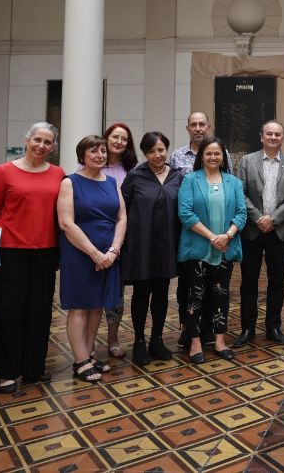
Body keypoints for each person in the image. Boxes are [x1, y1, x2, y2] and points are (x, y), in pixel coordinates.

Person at [0, 122, 65, 394]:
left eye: (47, 142)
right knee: (9, 312)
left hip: (45, 252)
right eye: (37, 140)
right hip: (9, 252)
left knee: (39, 312)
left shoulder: (58, 174)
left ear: (52, 148)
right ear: (27, 140)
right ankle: (7, 371)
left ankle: (33, 367)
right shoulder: (4, 172)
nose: (42, 146)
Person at [57, 135, 127, 383]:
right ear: (82, 156)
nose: (100, 156)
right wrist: (95, 253)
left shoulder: (111, 183)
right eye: (93, 152)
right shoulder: (70, 182)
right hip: (79, 252)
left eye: (102, 152)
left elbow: (121, 218)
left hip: (109, 252)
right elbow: (66, 223)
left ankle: (89, 354)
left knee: (97, 305)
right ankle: (79, 360)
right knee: (79, 306)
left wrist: (113, 251)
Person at [177, 137, 246, 363]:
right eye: (209, 153)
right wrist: (211, 237)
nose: (213, 157)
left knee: (221, 295)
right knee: (194, 296)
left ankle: (219, 341)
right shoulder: (189, 180)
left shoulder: (233, 182)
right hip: (198, 249)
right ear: (201, 157)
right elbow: (185, 214)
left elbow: (241, 214)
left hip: (225, 248)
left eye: (217, 153)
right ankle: (195, 342)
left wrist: (226, 236)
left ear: (223, 157)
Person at [233, 120, 284, 347]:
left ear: (283, 138)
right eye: (269, 134)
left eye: (277, 134)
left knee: (277, 281)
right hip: (252, 230)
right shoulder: (246, 161)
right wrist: (258, 218)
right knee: (249, 281)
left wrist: (272, 219)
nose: (273, 137)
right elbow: (239, 193)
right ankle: (247, 328)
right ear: (261, 137)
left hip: (278, 230)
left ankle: (273, 326)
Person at [119, 131, 183, 366]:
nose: (157, 155)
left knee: (162, 294)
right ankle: (138, 341)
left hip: (168, 245)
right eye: (151, 151)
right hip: (141, 246)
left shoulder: (178, 176)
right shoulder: (135, 176)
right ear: (144, 153)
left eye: (161, 150)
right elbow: (121, 211)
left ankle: (157, 339)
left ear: (167, 150)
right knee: (141, 294)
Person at [170, 111, 232, 349]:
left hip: (220, 235)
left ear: (208, 126)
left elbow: (229, 186)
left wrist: (224, 234)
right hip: (191, 232)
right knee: (188, 285)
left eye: (201, 124)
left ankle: (209, 329)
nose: (198, 128)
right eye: (193, 125)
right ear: (188, 128)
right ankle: (188, 330)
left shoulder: (222, 153)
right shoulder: (177, 157)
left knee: (215, 285)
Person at [99, 122, 138, 361]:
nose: (119, 142)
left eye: (124, 139)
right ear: (106, 139)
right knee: (92, 293)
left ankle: (113, 340)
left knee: (116, 293)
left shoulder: (132, 170)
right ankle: (86, 343)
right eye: (115, 137)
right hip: (94, 236)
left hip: (122, 237)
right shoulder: (89, 165)